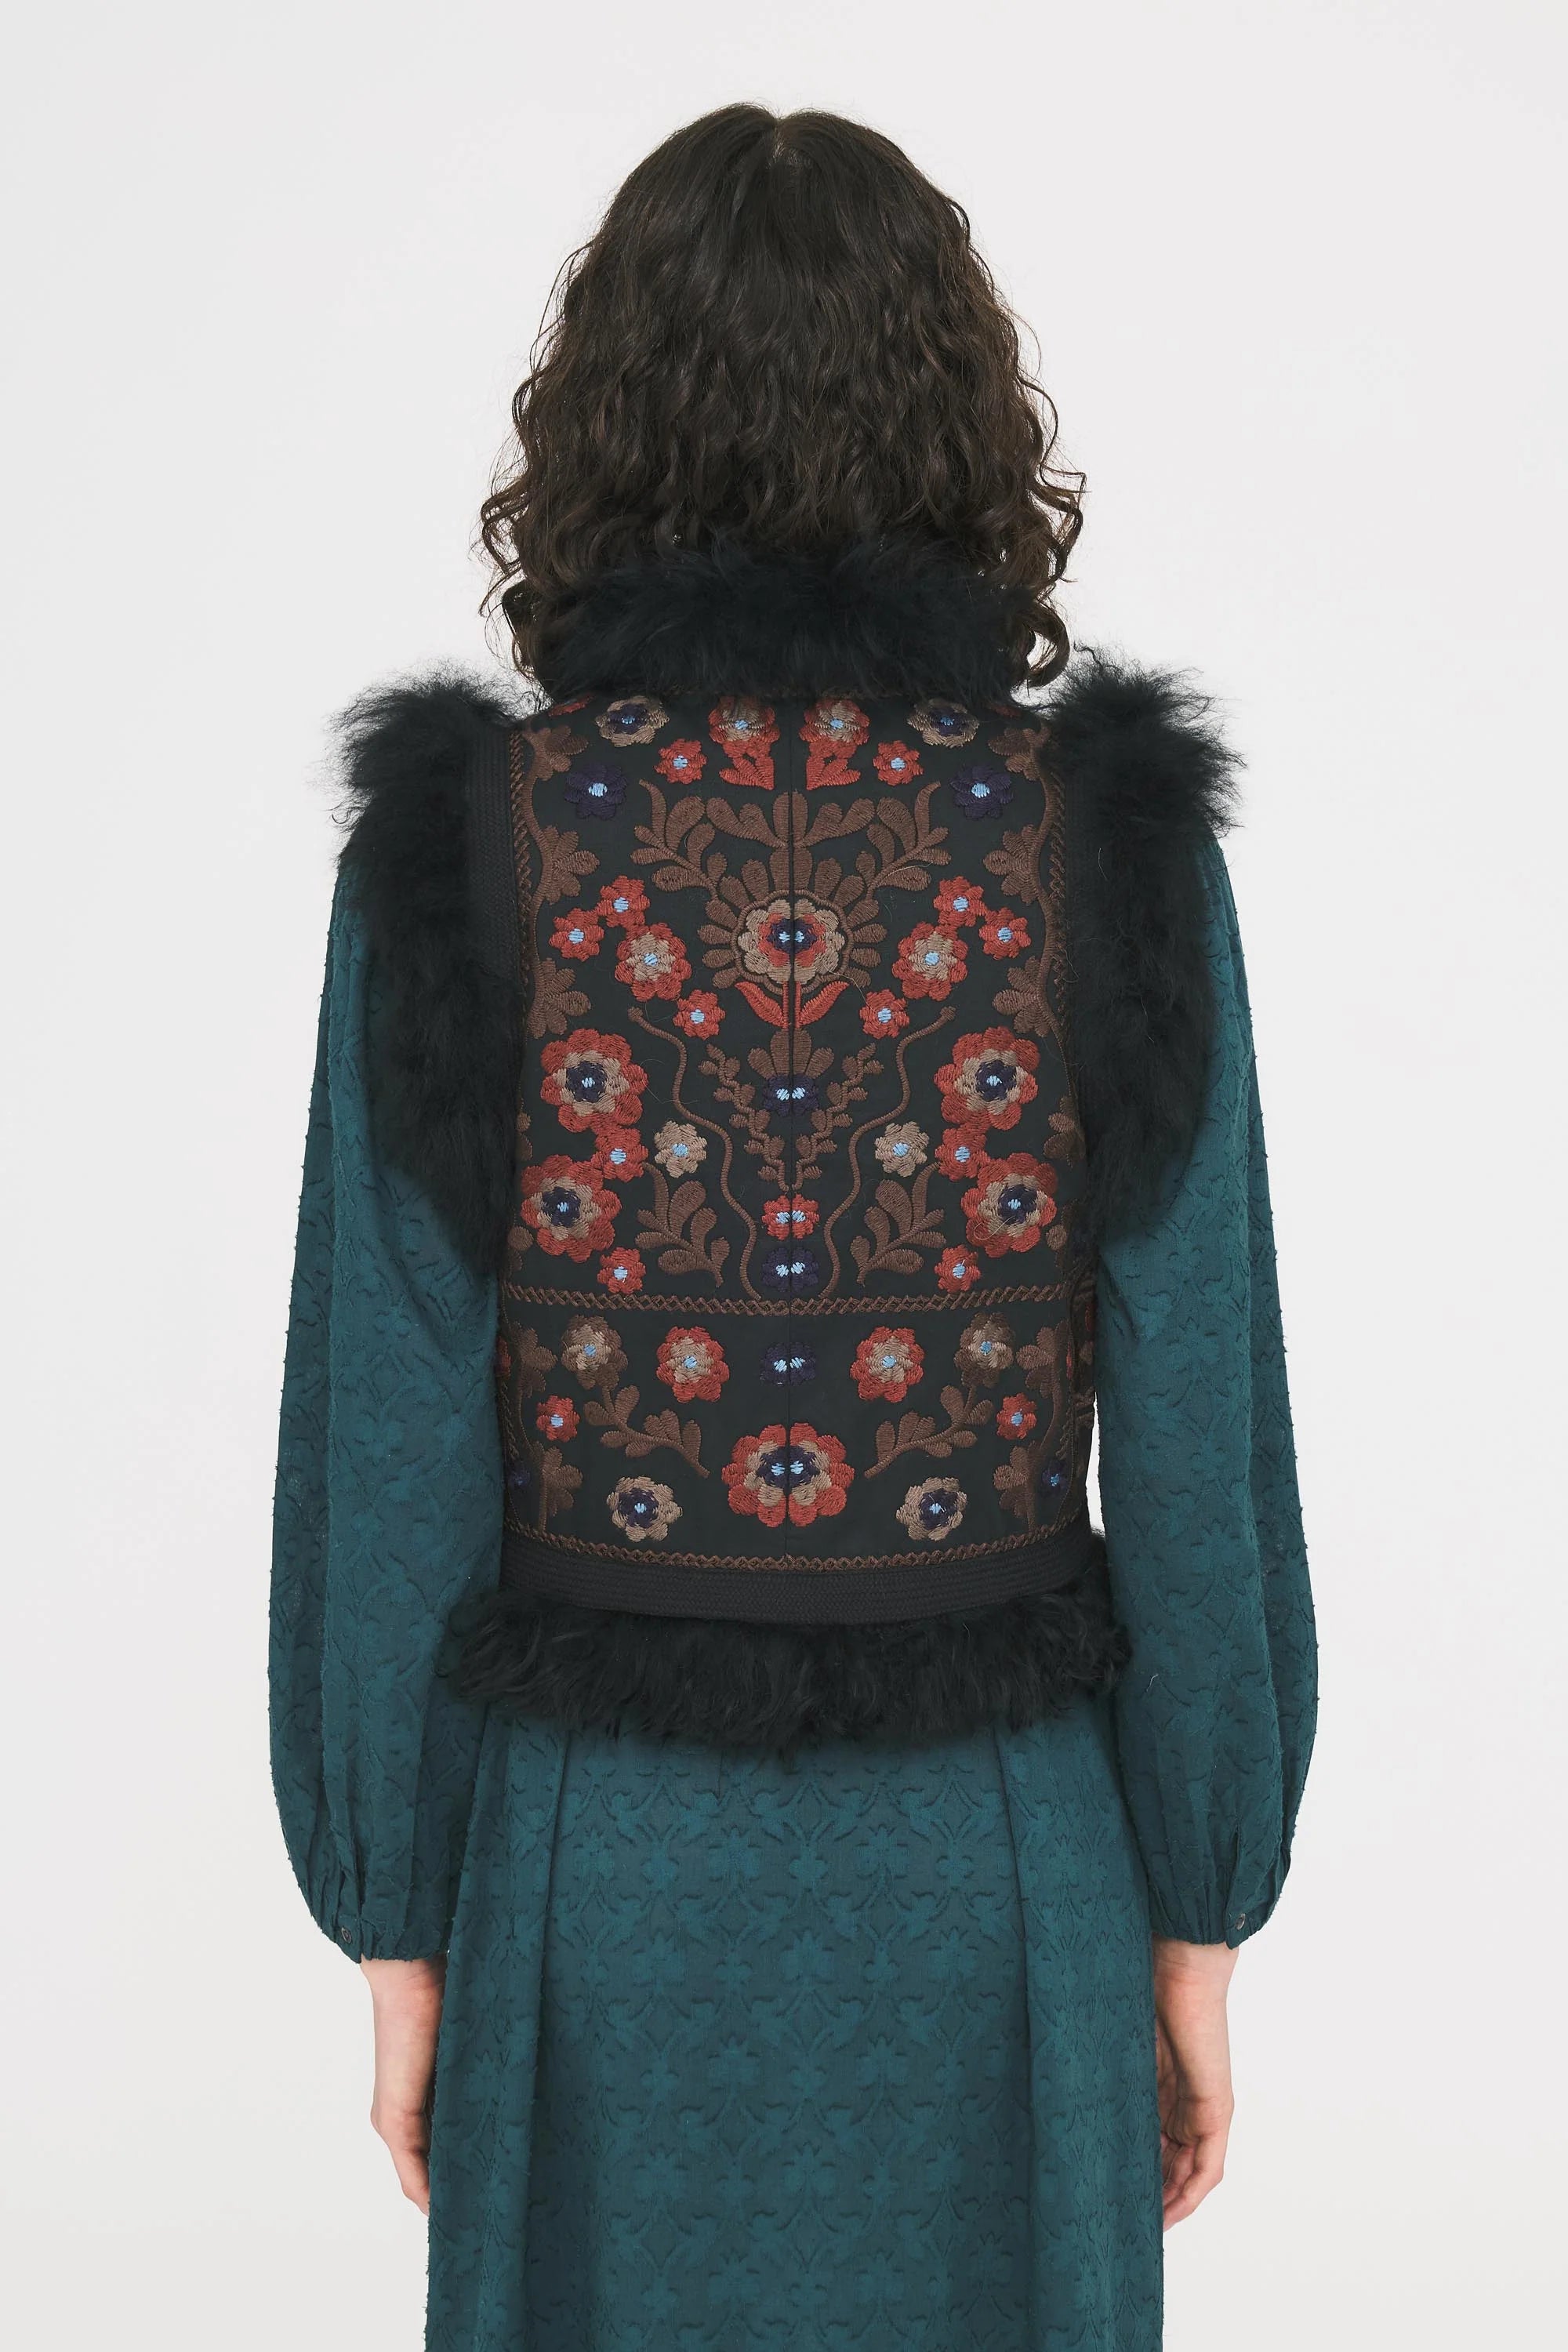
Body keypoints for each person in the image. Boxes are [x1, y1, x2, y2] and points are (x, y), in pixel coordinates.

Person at [270, 103, 1316, 2352]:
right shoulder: (1098, 841)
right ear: (964, 419)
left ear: (599, 422)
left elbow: (389, 1417)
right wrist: (1199, 1920)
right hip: (1000, 1858)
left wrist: (399, 1935)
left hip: (596, 1866)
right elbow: (1200, 1401)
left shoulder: (472, 847)